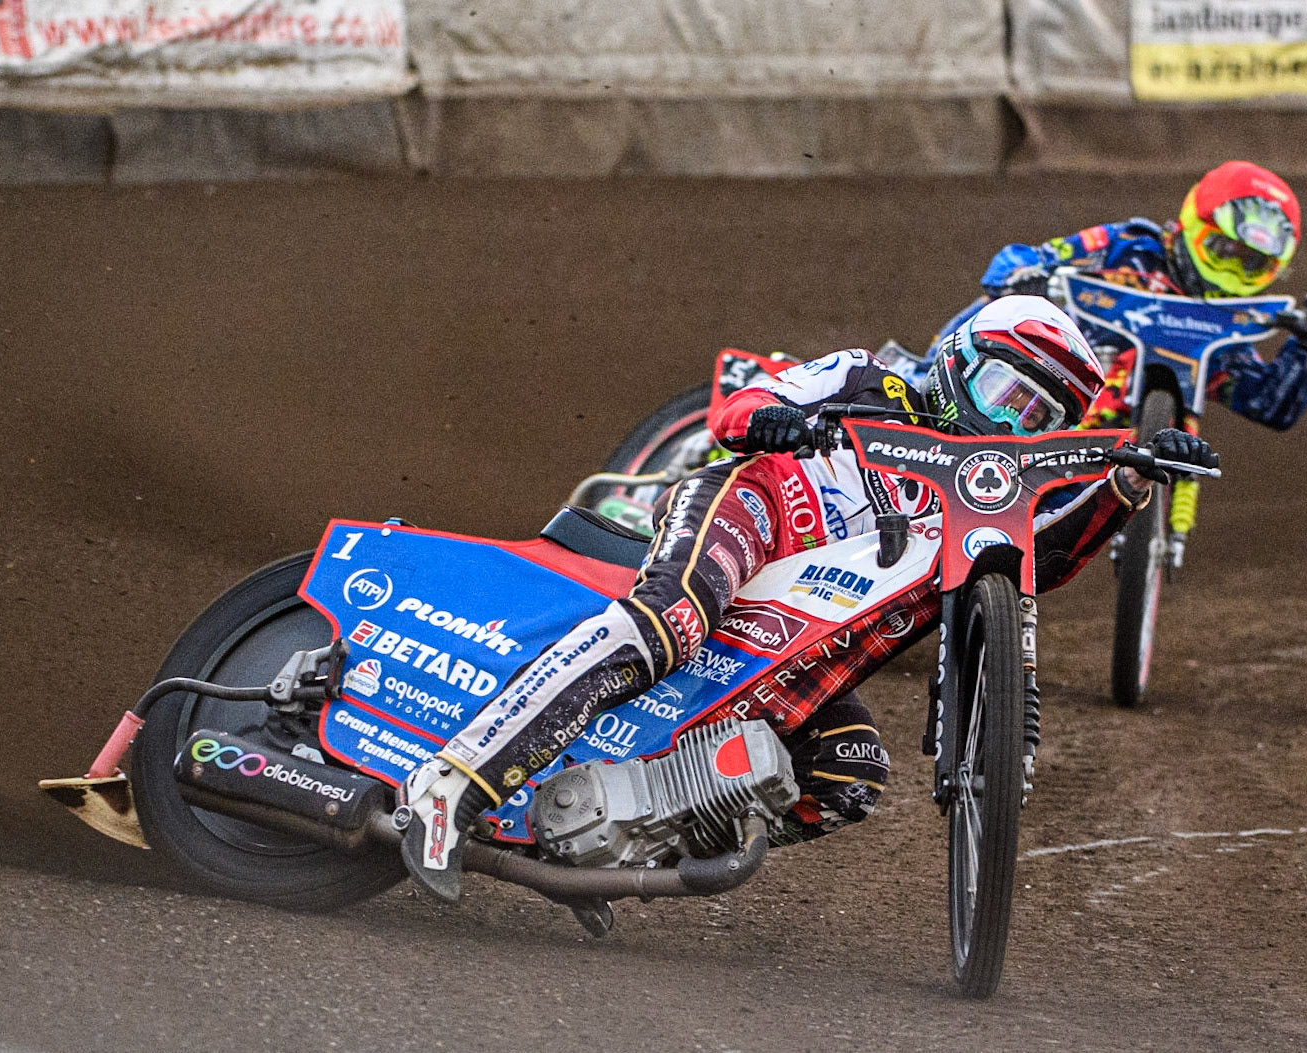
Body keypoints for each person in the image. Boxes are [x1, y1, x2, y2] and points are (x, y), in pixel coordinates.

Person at [396, 296, 1219, 900]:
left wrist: (1126, 483)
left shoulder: (992, 495)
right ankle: (452, 781)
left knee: (847, 773)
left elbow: (1053, 551)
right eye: (1007, 391)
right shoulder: (873, 376)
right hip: (758, 509)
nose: (1013, 422)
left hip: (805, 618)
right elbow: (739, 405)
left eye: (1039, 415)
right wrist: (777, 422)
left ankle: (610, 854)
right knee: (671, 622)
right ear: (962, 357)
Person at [924, 160, 1307, 436]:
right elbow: (1018, 262)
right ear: (1196, 225)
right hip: (1037, 376)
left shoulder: (1221, 328)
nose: (1233, 270)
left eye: (1251, 265)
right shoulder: (1127, 245)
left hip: (1102, 435)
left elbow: (1269, 403)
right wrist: (1028, 277)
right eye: (1225, 251)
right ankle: (926, 372)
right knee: (995, 311)